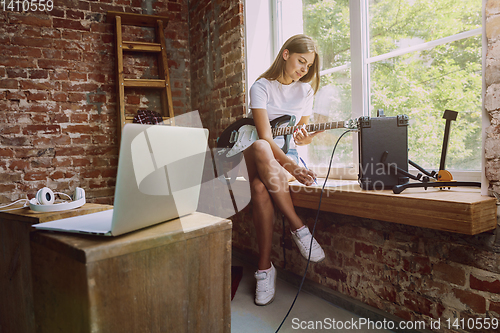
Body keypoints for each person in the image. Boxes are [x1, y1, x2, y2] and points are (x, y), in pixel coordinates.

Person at [244, 34, 326, 306]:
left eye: (309, 66)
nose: (304, 69)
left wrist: (306, 139)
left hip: (287, 157)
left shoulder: (305, 91)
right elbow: (265, 136)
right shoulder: (261, 87)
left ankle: (264, 269)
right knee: (259, 146)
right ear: (286, 54)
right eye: (301, 61)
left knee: (258, 188)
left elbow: (300, 135)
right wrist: (291, 165)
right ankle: (299, 227)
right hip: (263, 156)